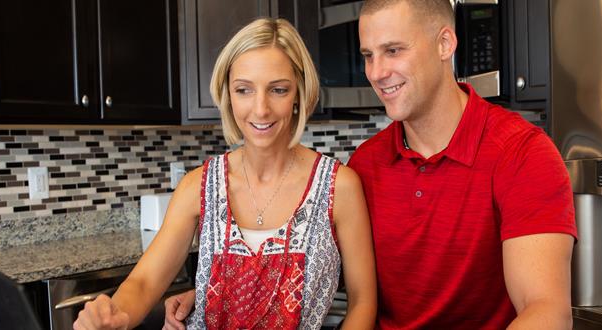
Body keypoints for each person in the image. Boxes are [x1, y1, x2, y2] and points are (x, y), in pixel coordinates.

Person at [166, 0, 577, 329]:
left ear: (444, 44)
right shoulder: (365, 165)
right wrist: (212, 296)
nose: (377, 73)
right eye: (368, 55)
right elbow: (326, 281)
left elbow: (546, 311)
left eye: (393, 50)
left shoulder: (523, 154)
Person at [73, 18, 377, 330]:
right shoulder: (198, 186)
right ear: (228, 95)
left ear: (299, 93)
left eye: (278, 90)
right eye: (244, 90)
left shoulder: (339, 187)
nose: (260, 109)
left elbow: (363, 300)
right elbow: (144, 281)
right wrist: (115, 315)